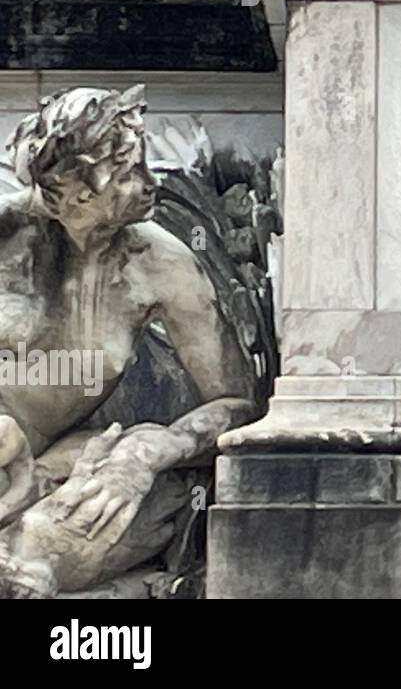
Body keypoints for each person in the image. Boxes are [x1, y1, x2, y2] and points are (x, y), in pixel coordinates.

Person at [0, 87, 257, 595]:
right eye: (126, 175)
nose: (150, 183)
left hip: (67, 461)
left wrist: (147, 454)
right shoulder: (6, 235)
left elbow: (238, 403)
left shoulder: (160, 264)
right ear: (76, 193)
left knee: (36, 555)